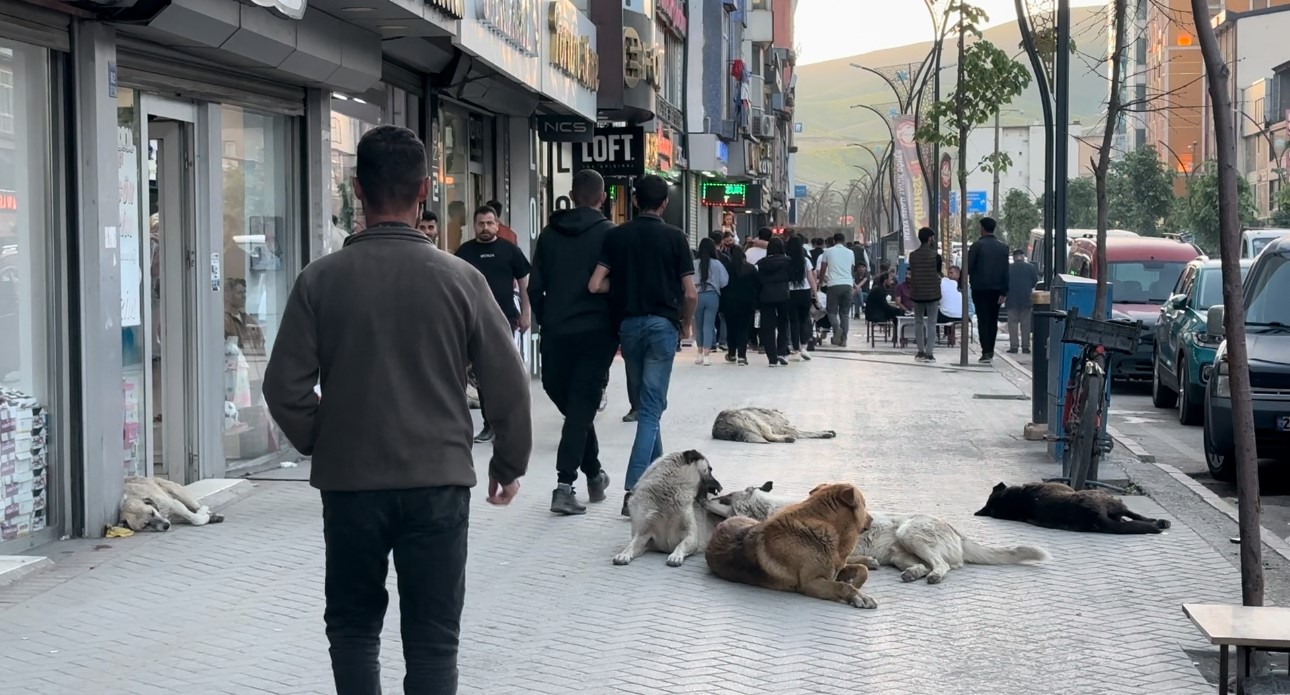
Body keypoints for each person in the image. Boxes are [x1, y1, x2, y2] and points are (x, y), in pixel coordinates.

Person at [262, 125, 531, 695]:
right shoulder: (463, 280)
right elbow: (507, 384)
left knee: (354, 628)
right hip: (438, 481)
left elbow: (283, 386)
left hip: (352, 483)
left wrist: (323, 438)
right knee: (434, 639)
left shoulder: (320, 280)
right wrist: (509, 461)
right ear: (425, 190)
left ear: (357, 190)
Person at [588, 174, 697, 515]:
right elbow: (691, 291)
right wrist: (685, 323)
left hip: (629, 329)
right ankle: (634, 490)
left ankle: (664, 472)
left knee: (647, 406)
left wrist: (623, 289)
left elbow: (595, 285)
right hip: (663, 326)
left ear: (634, 201)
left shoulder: (616, 236)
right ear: (664, 203)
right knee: (650, 409)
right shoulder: (676, 237)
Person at [528, 170, 617, 516]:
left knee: (570, 401)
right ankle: (578, 480)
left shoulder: (549, 235)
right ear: (602, 197)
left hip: (556, 334)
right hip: (597, 334)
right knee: (580, 409)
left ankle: (583, 478)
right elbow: (617, 285)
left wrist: (547, 319)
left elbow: (535, 287)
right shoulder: (610, 236)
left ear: (572, 195)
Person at [455, 206, 532, 443]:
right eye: (481, 223)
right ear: (474, 225)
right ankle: (489, 424)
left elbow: (524, 283)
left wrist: (527, 313)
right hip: (473, 320)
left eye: (490, 223)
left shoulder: (510, 250)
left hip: (505, 320)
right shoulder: (464, 252)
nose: (486, 228)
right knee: (482, 376)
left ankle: (509, 424)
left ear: (497, 225)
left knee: (506, 374)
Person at [966, 216, 1011, 363]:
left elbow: (968, 266)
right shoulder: (1003, 248)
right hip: (997, 290)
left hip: (979, 289)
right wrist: (1004, 291)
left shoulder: (976, 246)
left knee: (983, 320)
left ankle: (985, 351)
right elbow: (1006, 271)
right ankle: (990, 350)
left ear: (982, 229)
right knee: (993, 320)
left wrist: (961, 284)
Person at [755, 236, 793, 367]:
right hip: (784, 295)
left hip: (766, 296)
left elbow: (758, 282)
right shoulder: (788, 261)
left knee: (768, 327)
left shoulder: (762, 263)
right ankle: (782, 351)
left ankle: (771, 357)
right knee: (783, 323)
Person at [907, 227, 942, 362]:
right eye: (932, 238)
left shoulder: (913, 256)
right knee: (932, 323)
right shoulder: (936, 256)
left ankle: (920, 352)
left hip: (917, 293)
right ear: (929, 239)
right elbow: (938, 273)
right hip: (933, 294)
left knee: (918, 321)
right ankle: (929, 353)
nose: (933, 240)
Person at [692, 237, 729, 366]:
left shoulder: (694, 263)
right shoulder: (717, 264)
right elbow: (725, 281)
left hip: (697, 295)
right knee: (708, 325)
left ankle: (700, 354)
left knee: (698, 326)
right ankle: (707, 356)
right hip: (712, 295)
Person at [721, 245, 758, 365]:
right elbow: (757, 285)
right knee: (743, 329)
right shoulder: (751, 268)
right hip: (747, 302)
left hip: (729, 302)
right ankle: (742, 356)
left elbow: (722, 285)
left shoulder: (726, 268)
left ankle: (732, 353)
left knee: (731, 328)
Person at [818, 233, 855, 346]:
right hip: (847, 284)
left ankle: (837, 328)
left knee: (832, 311)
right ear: (844, 241)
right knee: (844, 314)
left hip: (833, 284)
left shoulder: (827, 252)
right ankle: (843, 340)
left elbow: (823, 269)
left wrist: (820, 281)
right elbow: (852, 269)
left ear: (834, 241)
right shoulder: (850, 252)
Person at [785, 235, 818, 360]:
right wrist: (815, 294)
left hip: (790, 293)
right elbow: (811, 279)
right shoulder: (806, 261)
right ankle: (804, 346)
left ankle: (796, 348)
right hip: (805, 292)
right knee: (804, 320)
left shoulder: (786, 261)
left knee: (793, 321)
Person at [1006, 248, 1040, 354]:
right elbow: (1035, 282)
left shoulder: (1008, 268)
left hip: (1011, 299)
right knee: (1026, 324)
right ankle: (1025, 346)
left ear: (1014, 257)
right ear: (1023, 256)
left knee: (1013, 324)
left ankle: (1014, 346)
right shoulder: (1030, 267)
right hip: (1026, 299)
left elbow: (1004, 282)